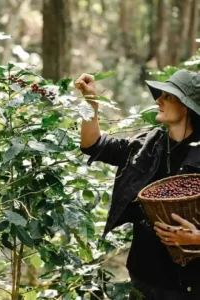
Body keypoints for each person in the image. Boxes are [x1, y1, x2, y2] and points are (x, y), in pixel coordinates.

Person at [76, 69, 200, 300]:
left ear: (187, 106)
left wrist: (195, 239)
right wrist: (91, 102)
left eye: (168, 96)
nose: (158, 100)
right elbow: (93, 144)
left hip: (189, 286)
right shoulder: (148, 145)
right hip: (143, 277)